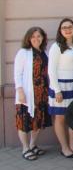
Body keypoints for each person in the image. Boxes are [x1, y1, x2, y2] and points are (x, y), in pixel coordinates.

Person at [48, 18, 73, 158]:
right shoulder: (57, 46)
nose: (67, 29)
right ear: (60, 30)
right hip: (62, 86)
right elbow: (51, 70)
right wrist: (57, 90)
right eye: (64, 27)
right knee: (61, 117)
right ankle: (64, 147)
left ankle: (72, 145)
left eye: (70, 27)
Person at [14, 27, 52, 161]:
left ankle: (33, 145)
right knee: (24, 122)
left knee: (39, 121)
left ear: (43, 38)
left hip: (42, 93)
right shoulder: (23, 52)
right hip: (27, 93)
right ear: (28, 38)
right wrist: (20, 91)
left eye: (39, 36)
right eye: (33, 36)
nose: (36, 39)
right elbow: (17, 73)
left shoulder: (44, 52)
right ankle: (25, 148)